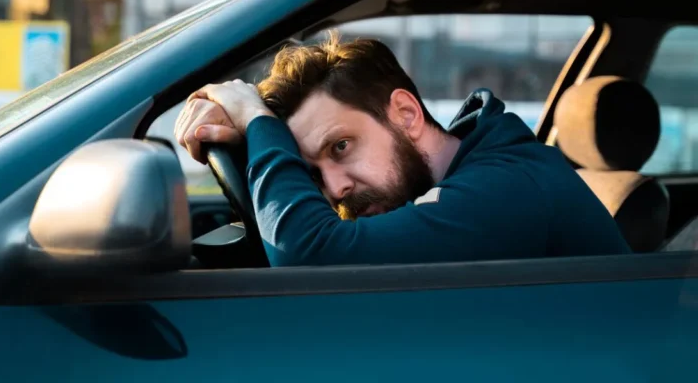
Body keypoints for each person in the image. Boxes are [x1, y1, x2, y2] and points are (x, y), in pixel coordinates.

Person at [175, 33, 631, 266]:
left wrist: (257, 120)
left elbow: (311, 256)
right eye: (313, 174)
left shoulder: (507, 189)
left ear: (407, 115)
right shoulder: (464, 176)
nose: (335, 188)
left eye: (341, 146)